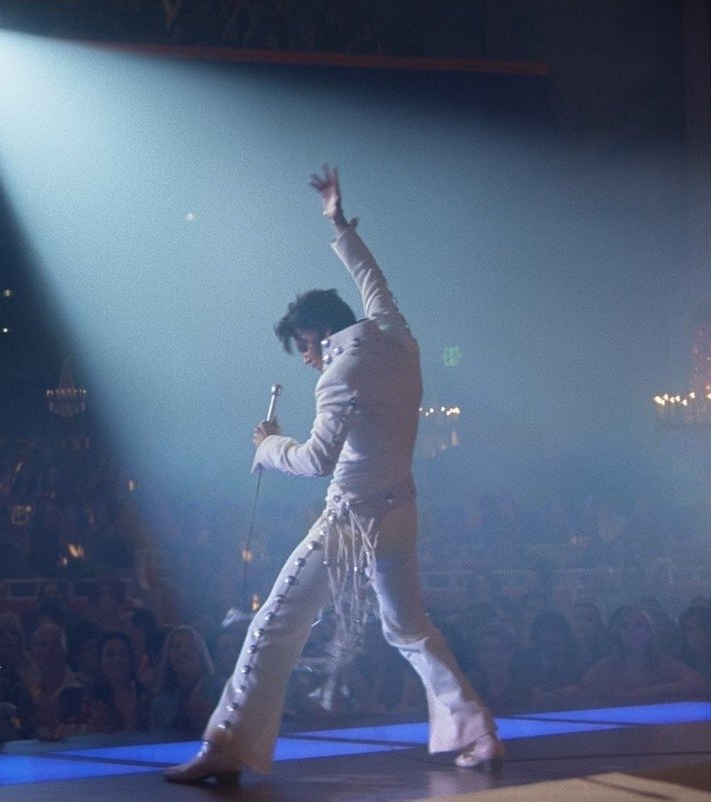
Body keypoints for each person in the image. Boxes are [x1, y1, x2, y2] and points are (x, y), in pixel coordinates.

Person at [166, 166, 500, 785]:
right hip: (401, 511)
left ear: (318, 333)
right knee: (409, 629)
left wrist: (268, 446)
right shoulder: (397, 336)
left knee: (273, 625)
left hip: (352, 522)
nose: (306, 359)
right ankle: (476, 731)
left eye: (304, 345)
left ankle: (227, 746)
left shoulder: (339, 375)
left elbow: (316, 460)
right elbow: (373, 281)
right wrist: (338, 224)